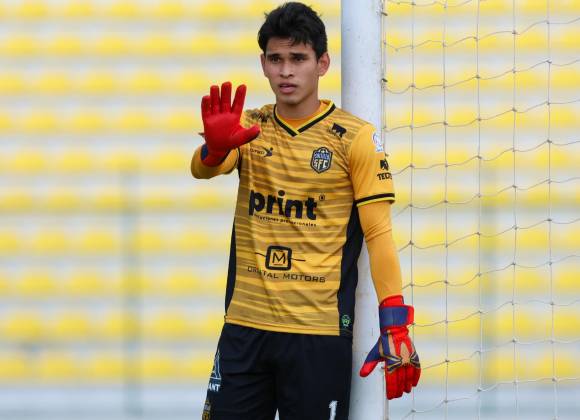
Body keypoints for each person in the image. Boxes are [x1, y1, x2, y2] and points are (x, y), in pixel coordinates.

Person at [191, 2, 420, 419]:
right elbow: (204, 169)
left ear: (322, 63)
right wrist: (216, 148)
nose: (286, 71)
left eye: (298, 58)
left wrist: (395, 321)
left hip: (317, 334)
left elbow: (378, 233)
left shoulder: (355, 139)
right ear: (263, 64)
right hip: (245, 328)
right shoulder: (249, 128)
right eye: (276, 59)